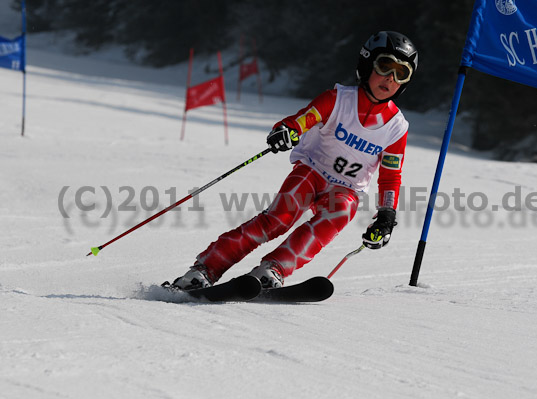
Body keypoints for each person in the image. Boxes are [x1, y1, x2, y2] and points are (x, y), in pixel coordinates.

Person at [172, 31, 418, 290]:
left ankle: (273, 270)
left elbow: (391, 176)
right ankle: (204, 269)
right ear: (367, 64)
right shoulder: (337, 100)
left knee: (340, 212)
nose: (390, 79)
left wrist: (386, 214)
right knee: (277, 220)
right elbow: (303, 120)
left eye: (401, 73)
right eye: (385, 66)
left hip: (347, 189)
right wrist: (287, 131)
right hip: (312, 172)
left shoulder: (396, 127)